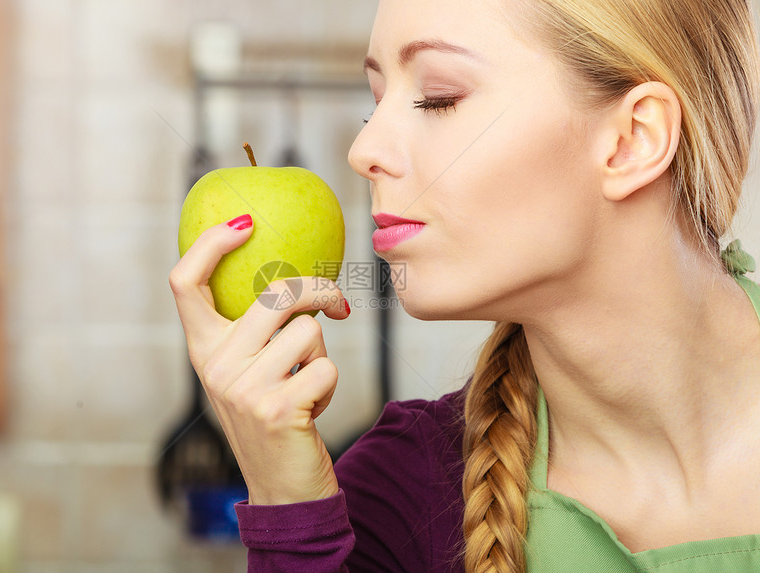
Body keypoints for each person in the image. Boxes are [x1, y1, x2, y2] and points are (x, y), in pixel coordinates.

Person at [169, 0, 760, 570]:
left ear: (633, 138)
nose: (362, 150)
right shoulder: (394, 501)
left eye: (438, 99)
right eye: (376, 103)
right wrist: (286, 507)